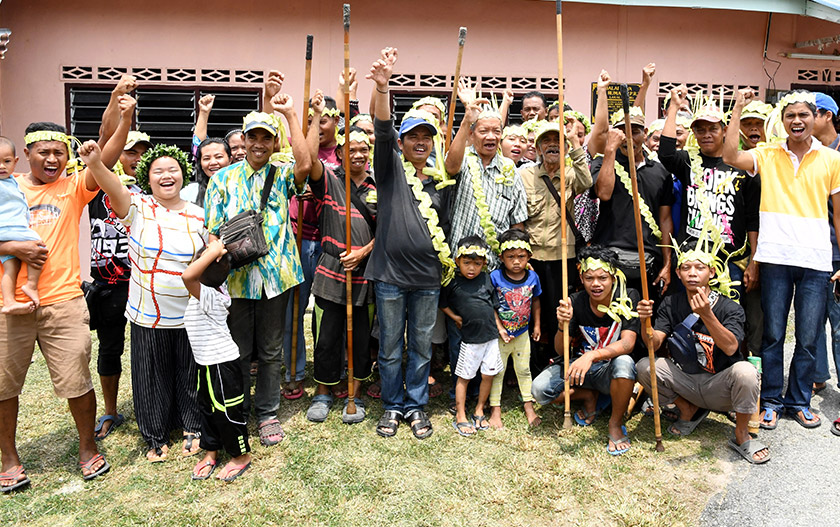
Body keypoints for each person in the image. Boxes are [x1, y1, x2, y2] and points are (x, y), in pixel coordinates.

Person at [0, 116, 127, 491]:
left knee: (77, 380)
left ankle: (87, 449)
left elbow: (106, 153)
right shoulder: (7, 187)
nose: (52, 159)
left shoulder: (72, 187)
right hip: (8, 306)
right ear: (26, 154)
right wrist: (9, 247)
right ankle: (9, 459)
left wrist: (124, 112)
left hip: (64, 301)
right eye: (44, 152)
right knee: (4, 386)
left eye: (59, 152)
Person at [80, 96, 207, 462]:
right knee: (151, 376)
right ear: (147, 176)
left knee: (188, 372)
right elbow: (109, 184)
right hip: (147, 312)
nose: (167, 176)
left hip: (187, 311)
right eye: (158, 171)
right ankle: (154, 436)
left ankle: (192, 426)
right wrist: (94, 161)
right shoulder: (136, 207)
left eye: (173, 170)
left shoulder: (198, 214)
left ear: (183, 173)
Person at [724, 89, 840, 430]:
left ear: (814, 118)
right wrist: (739, 108)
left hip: (817, 261)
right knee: (774, 334)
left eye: (803, 115)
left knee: (806, 337)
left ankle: (799, 401)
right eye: (790, 115)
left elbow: (839, 217)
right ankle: (772, 400)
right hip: (775, 257)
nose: (797, 121)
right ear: (782, 120)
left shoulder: (832, 160)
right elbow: (731, 154)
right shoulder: (767, 153)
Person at [205, 91, 314, 447]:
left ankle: (267, 412)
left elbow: (305, 164)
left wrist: (291, 116)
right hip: (236, 279)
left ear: (274, 142)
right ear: (243, 139)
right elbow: (211, 230)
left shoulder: (282, 177)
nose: (258, 143)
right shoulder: (222, 179)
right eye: (253, 136)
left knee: (270, 351)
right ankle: (238, 408)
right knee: (236, 350)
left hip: (276, 276)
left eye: (266, 137)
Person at [366, 47, 455, 439]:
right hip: (388, 275)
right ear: (401, 143)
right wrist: (383, 87)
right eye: (412, 136)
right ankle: (391, 406)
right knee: (389, 347)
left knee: (420, 346)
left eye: (426, 137)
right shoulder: (387, 170)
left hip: (427, 279)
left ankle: (416, 406)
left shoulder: (440, 180)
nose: (420, 142)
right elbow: (381, 129)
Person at [635, 234, 770, 464]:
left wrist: (708, 315)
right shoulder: (671, 303)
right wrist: (645, 323)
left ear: (712, 272)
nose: (692, 273)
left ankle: (741, 434)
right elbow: (653, 344)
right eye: (686, 267)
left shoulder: (729, 307)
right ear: (678, 273)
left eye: (699, 267)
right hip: (686, 382)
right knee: (645, 366)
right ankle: (688, 410)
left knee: (746, 372)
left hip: (720, 387)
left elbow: (730, 349)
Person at [306, 103, 377, 424]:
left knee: (361, 340)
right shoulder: (330, 179)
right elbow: (306, 162)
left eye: (364, 149)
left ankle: (356, 394)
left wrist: (363, 252)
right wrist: (306, 118)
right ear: (341, 153)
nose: (359, 155)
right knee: (326, 338)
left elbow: (388, 229)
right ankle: (322, 392)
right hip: (330, 271)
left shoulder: (381, 186)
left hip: (365, 273)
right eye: (352, 150)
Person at [532, 246, 639, 455]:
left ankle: (615, 424)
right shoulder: (574, 301)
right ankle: (589, 396)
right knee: (539, 390)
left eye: (602, 278)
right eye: (589, 278)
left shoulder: (628, 296)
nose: (596, 284)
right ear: (581, 277)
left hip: (609, 369)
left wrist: (592, 355)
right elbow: (560, 351)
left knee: (625, 362)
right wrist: (562, 325)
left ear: (614, 278)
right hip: (580, 369)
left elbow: (628, 344)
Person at [659, 86, 760, 300]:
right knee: (687, 322)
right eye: (700, 130)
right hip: (692, 261)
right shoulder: (687, 160)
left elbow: (753, 218)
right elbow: (666, 153)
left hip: (730, 261)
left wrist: (753, 261)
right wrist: (674, 107)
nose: (706, 135)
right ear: (693, 133)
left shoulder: (743, 165)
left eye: (712, 129)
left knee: (726, 322)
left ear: (724, 130)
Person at [87, 128, 150, 441]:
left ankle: (148, 406)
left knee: (144, 350)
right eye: (130, 152)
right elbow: (103, 137)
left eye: (141, 153)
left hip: (142, 281)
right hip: (108, 282)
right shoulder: (96, 185)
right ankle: (110, 410)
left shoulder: (151, 188)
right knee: (110, 348)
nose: (136, 159)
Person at [519, 121, 591, 371]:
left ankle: (555, 361)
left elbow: (588, 181)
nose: (552, 146)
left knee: (556, 313)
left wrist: (575, 144)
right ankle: (528, 364)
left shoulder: (571, 174)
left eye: (558, 142)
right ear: (537, 148)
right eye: (546, 142)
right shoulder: (524, 175)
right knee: (529, 313)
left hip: (563, 257)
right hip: (533, 258)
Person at [181, 240, 252, 482]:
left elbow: (187, 276)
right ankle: (211, 450)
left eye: (200, 260)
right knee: (208, 409)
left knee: (228, 412)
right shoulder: (203, 290)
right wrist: (212, 251)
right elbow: (193, 273)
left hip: (222, 366)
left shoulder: (210, 295)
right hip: (206, 363)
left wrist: (212, 252)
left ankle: (241, 456)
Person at [591, 106, 674, 308]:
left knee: (645, 319)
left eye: (634, 131)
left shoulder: (660, 171)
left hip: (648, 260)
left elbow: (664, 220)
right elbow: (603, 193)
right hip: (609, 256)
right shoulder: (602, 162)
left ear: (645, 134)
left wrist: (667, 264)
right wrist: (610, 149)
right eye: (622, 132)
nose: (629, 138)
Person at [440, 237, 502, 437]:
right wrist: (455, 317)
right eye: (466, 263)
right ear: (457, 261)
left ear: (484, 263)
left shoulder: (487, 279)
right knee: (464, 376)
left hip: (490, 337)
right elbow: (442, 304)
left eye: (477, 263)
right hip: (468, 340)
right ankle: (460, 415)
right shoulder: (452, 282)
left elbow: (493, 307)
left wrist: (500, 329)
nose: (471, 268)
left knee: (488, 375)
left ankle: (479, 409)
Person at [488, 229, 542, 428]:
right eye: (511, 257)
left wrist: (536, 325)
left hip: (522, 334)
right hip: (500, 336)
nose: (516, 261)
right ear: (502, 257)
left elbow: (536, 300)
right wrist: (500, 328)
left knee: (524, 370)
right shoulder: (494, 277)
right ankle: (495, 409)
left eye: (521, 256)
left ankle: (529, 406)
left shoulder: (532, 278)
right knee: (497, 372)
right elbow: (491, 305)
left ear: (529, 256)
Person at [812, 93, 840, 395]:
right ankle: (818, 375)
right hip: (815, 253)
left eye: (810, 113)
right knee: (813, 321)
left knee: (839, 324)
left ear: (827, 115)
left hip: (837, 255)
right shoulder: (813, 154)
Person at [0, 137, 42, 315]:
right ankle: (31, 285)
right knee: (38, 246)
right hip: (10, 229)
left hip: (9, 230)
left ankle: (9, 301)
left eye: (7, 161)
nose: (1, 166)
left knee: (10, 267)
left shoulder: (13, 181)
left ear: (15, 162)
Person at [181, 137, 231, 207]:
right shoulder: (188, 192)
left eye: (218, 157)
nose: (213, 162)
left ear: (230, 160)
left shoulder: (242, 187)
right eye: (206, 158)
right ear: (200, 163)